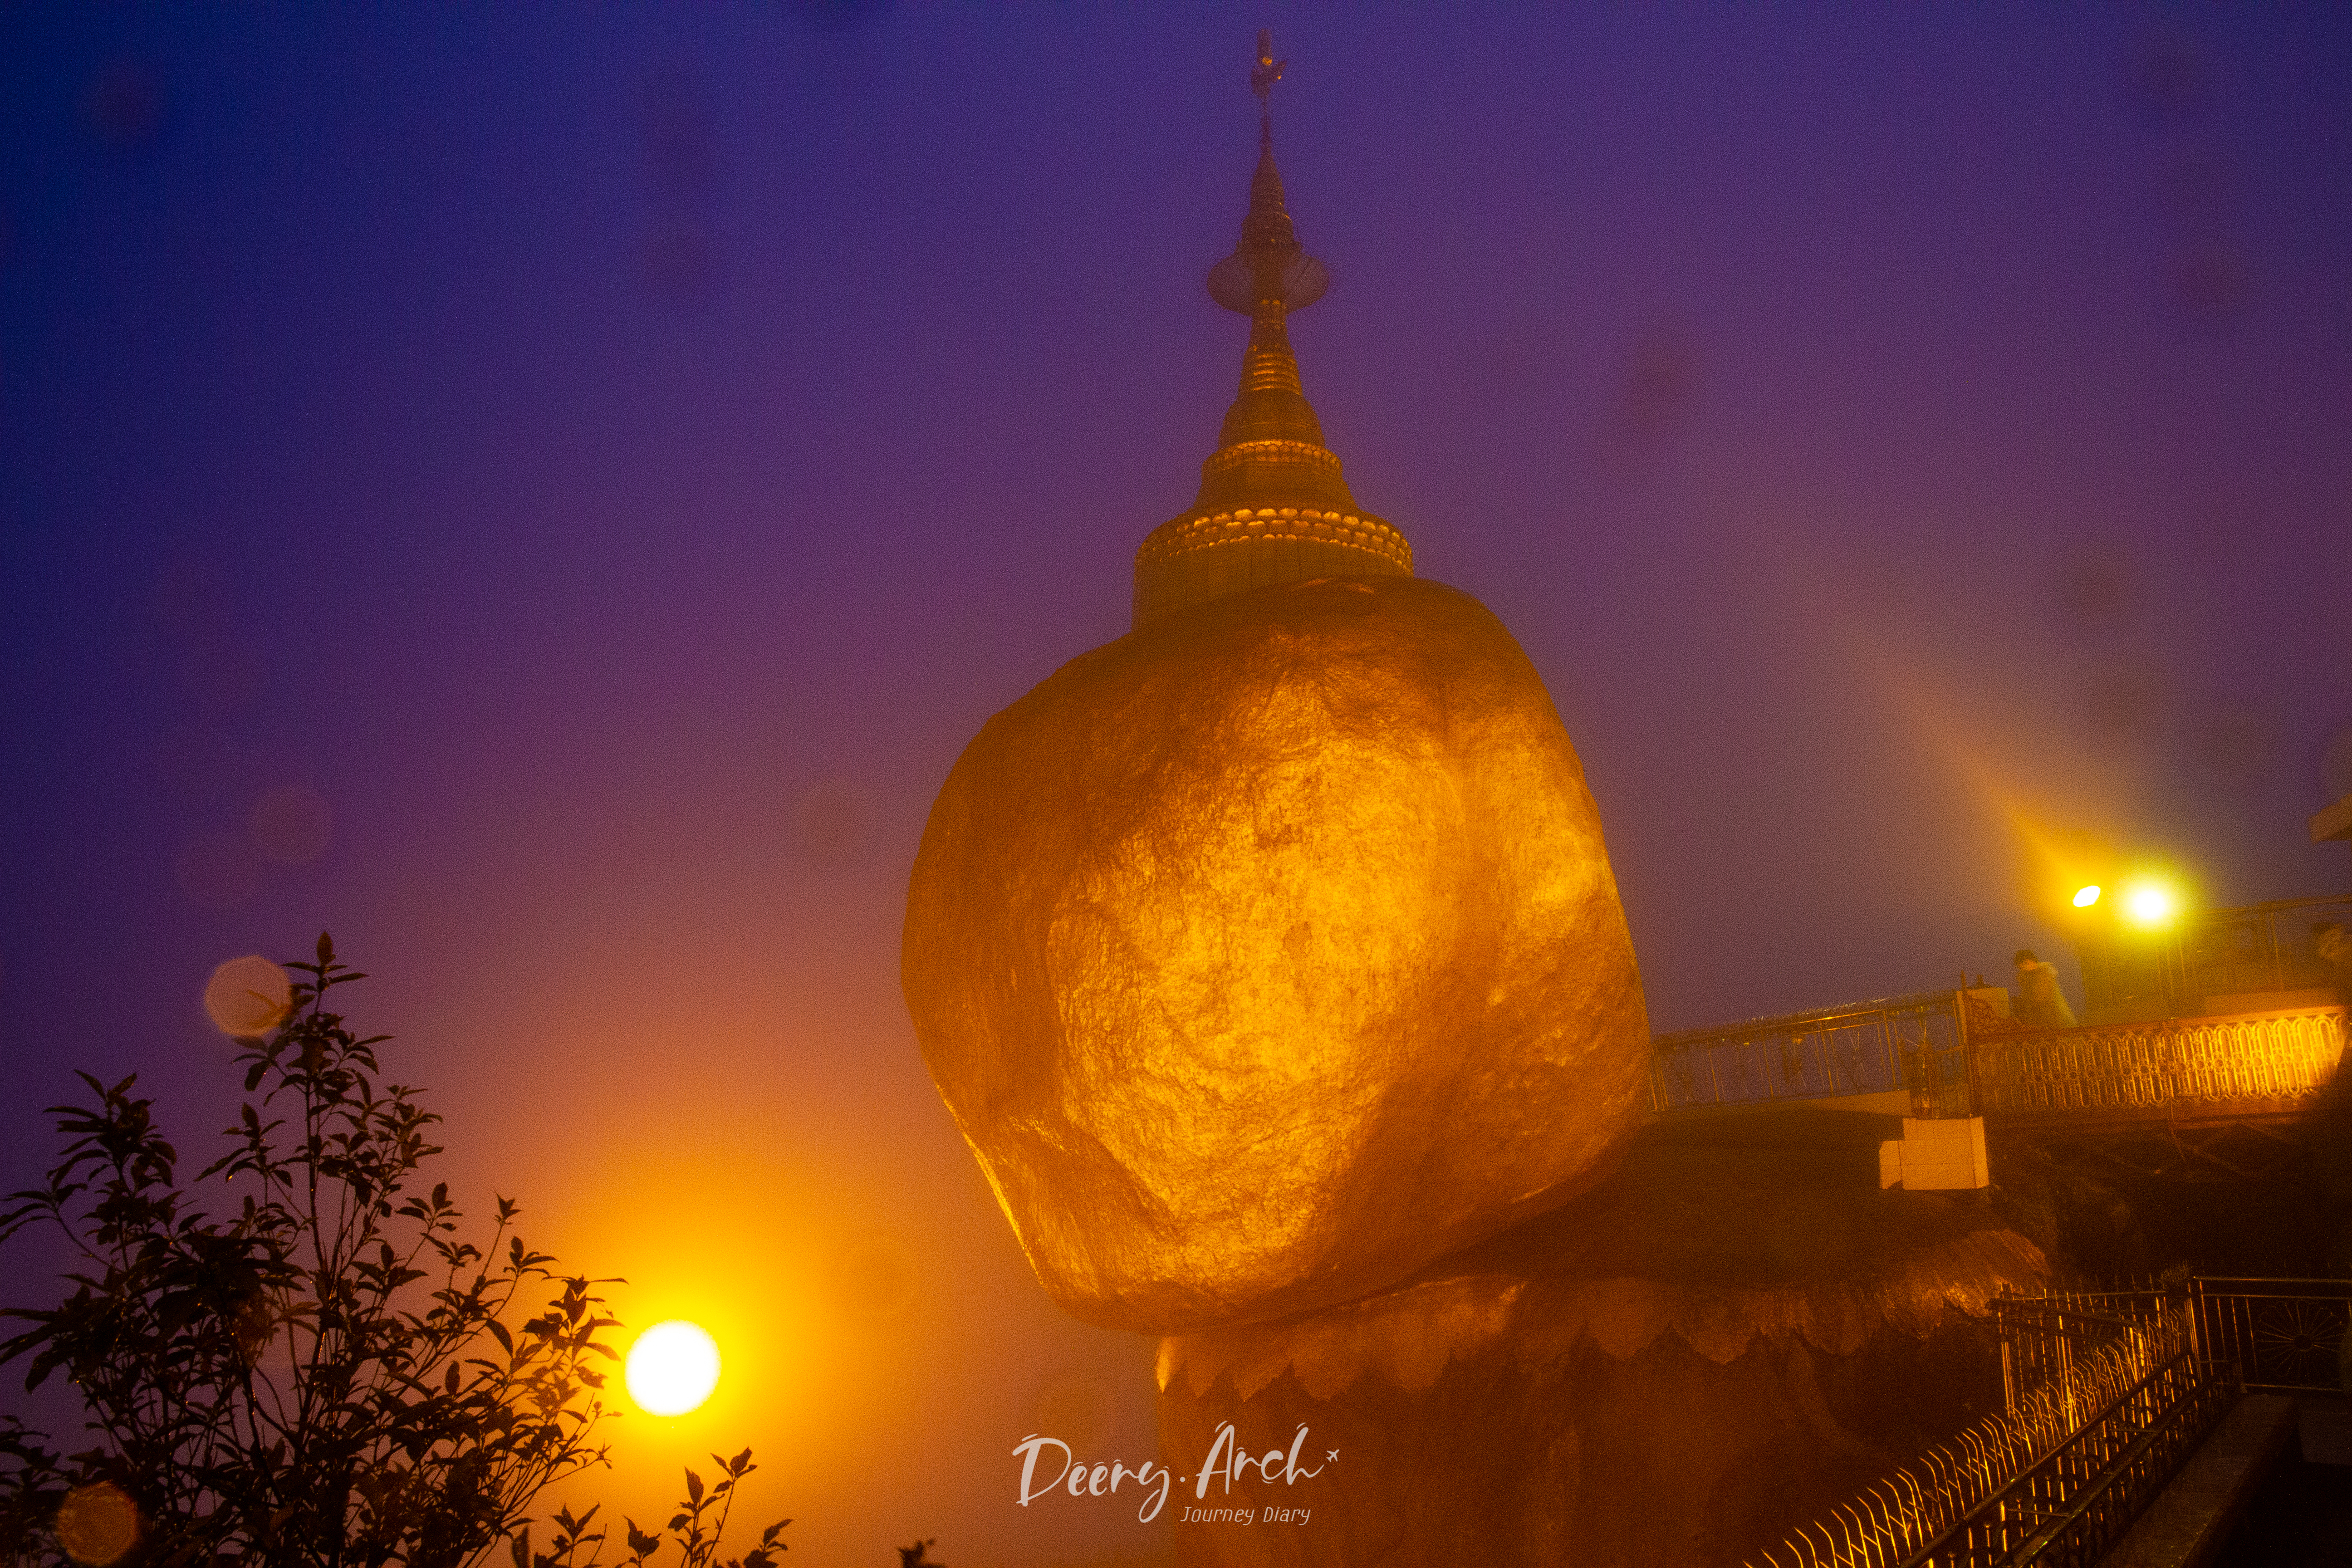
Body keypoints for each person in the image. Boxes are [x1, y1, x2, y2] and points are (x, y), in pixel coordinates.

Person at [2013, 948, 2078, 1030]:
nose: (2022, 969)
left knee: (2067, 1030)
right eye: (2021, 968)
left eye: (2023, 966)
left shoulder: (2045, 971)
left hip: (2054, 1010)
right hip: (2041, 1013)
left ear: (2028, 962)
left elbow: (2042, 993)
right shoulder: (2026, 975)